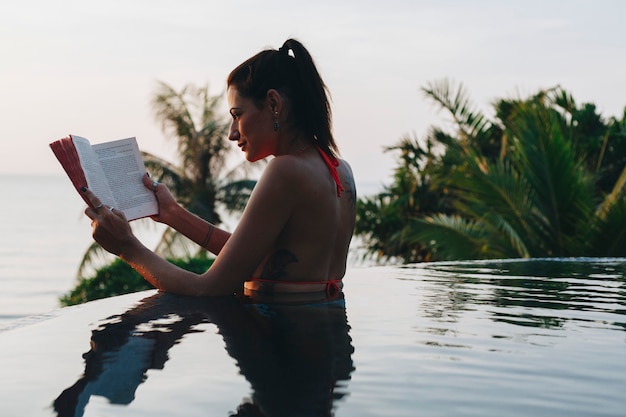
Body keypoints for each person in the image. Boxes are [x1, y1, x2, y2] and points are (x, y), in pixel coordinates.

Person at [83, 38, 356, 298]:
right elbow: (251, 260)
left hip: (283, 342)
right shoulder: (340, 169)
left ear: (274, 104)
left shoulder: (286, 171)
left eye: (237, 115)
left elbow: (209, 289)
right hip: (324, 335)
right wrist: (173, 213)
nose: (232, 133)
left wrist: (126, 247)